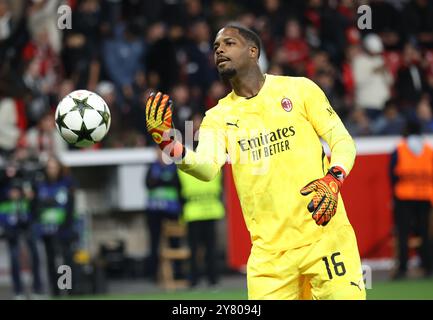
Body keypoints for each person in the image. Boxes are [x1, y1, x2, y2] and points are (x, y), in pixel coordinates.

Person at [145, 24, 365, 300]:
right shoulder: (217, 117)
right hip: (269, 259)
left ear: (253, 51)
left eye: (228, 43)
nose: (220, 50)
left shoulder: (299, 89)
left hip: (325, 240)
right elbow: (206, 167)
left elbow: (342, 141)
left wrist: (334, 177)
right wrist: (170, 144)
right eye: (215, 47)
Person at [389, 121, 433, 279]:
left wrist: (393, 196)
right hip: (425, 196)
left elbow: (393, 175)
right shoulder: (428, 150)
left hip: (404, 196)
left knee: (403, 233)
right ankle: (428, 267)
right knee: (425, 233)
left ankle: (403, 269)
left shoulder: (400, 149)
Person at [35, 155, 77, 297]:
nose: (51, 170)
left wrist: (66, 225)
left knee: (66, 261)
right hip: (47, 229)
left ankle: (69, 290)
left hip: (63, 229)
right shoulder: (41, 185)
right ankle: (56, 292)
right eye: (49, 167)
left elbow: (70, 207)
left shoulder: (67, 184)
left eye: (54, 167)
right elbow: (36, 207)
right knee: (51, 261)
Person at [144, 148, 182, 282]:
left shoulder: (175, 168)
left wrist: (159, 181)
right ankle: (153, 275)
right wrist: (165, 181)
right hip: (154, 211)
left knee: (175, 243)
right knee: (154, 243)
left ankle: (178, 272)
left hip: (171, 211)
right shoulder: (152, 167)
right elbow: (148, 184)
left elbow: (177, 185)